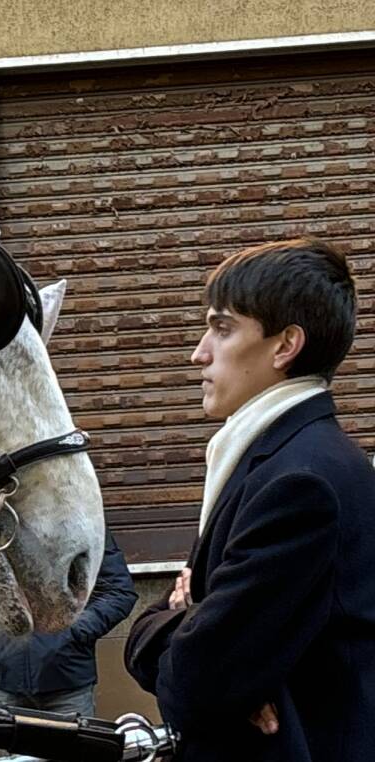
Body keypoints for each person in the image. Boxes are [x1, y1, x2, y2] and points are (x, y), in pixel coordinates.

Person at [124, 238, 375, 761]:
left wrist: (186, 614)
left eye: (222, 328)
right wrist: (197, 623)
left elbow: (197, 684)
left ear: (285, 346)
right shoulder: (284, 458)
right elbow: (211, 668)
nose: (199, 351)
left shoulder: (300, 484)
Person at [0, 527, 136, 718]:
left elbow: (118, 592)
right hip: (6, 682)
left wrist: (74, 630)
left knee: (72, 747)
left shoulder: (80, 522)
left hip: (68, 684)